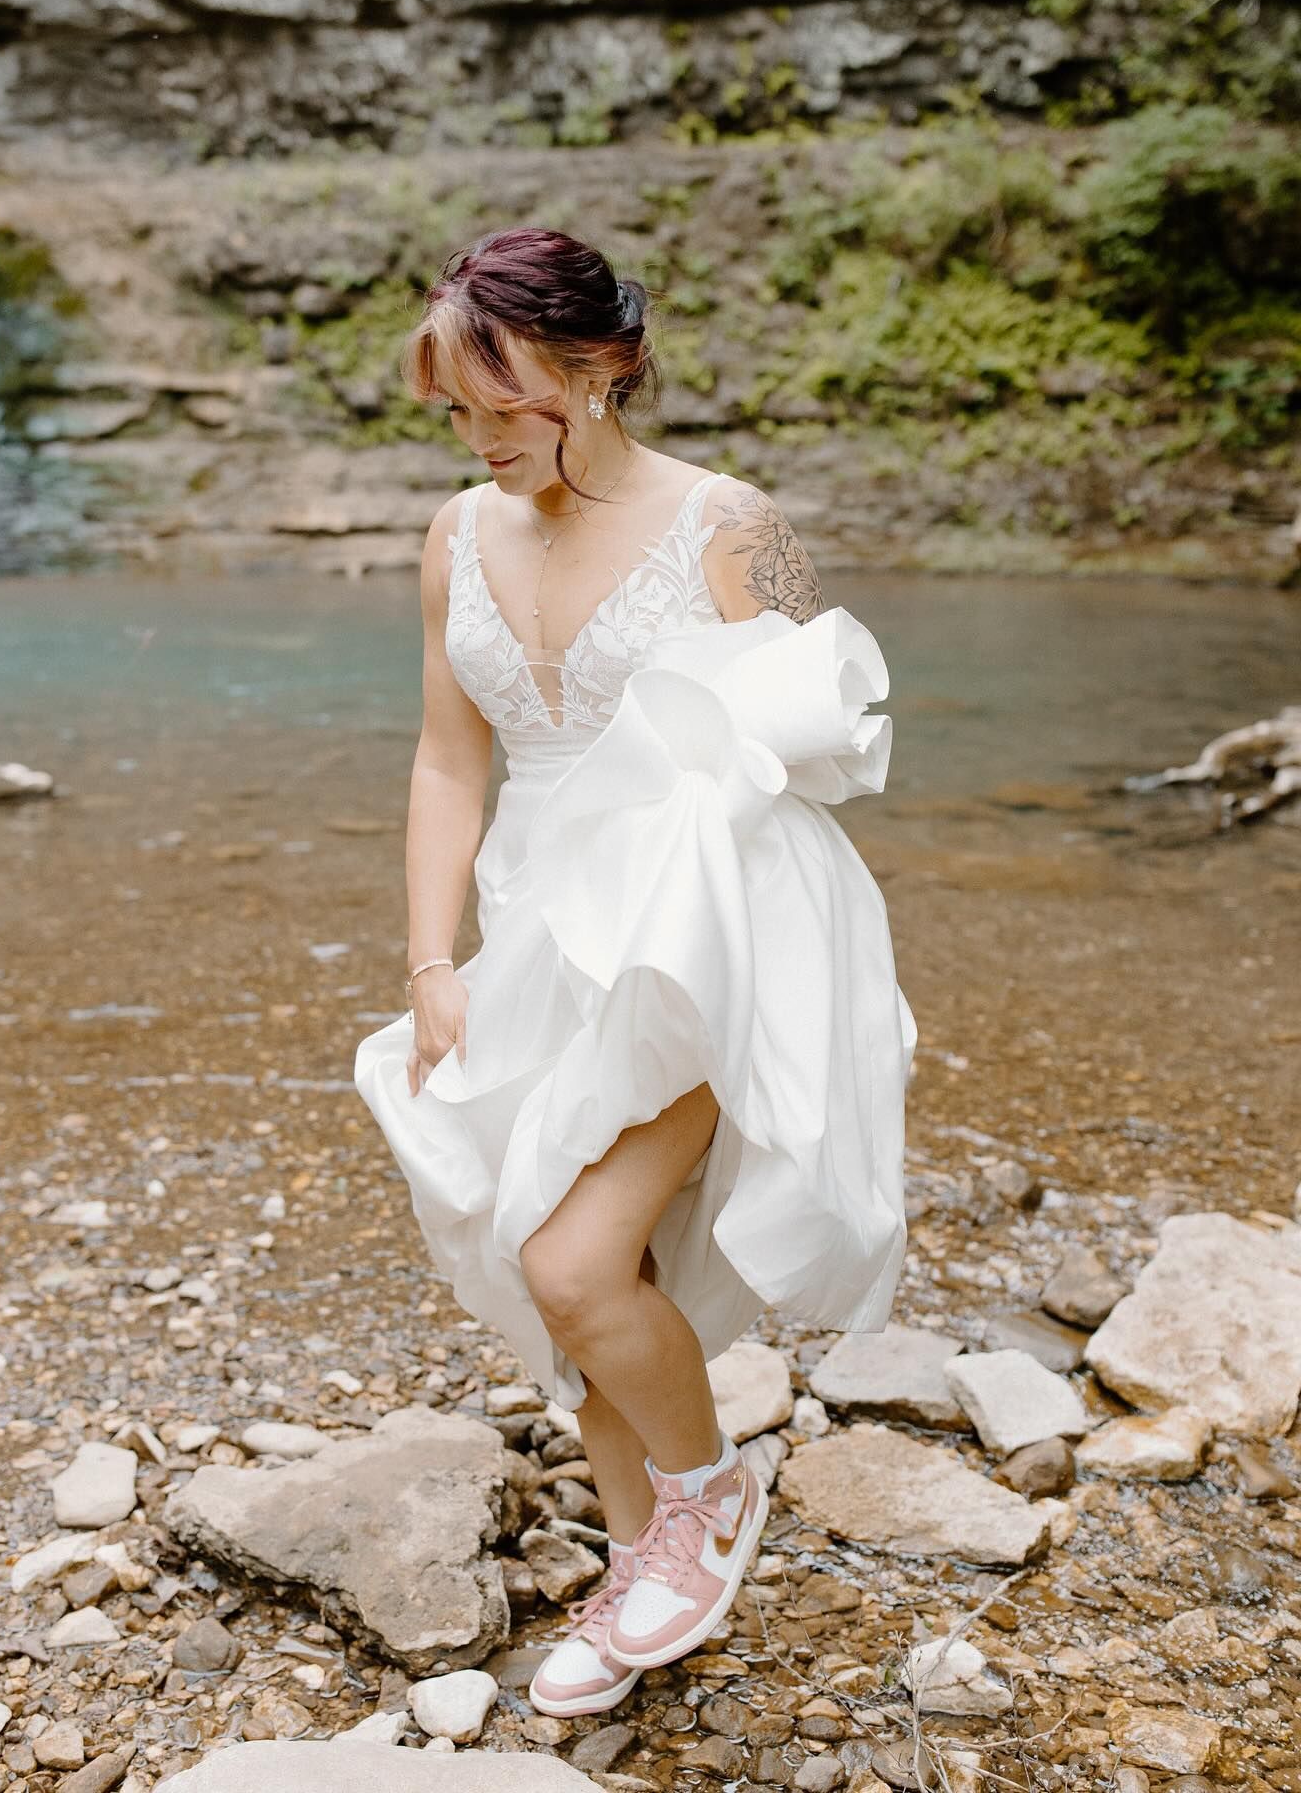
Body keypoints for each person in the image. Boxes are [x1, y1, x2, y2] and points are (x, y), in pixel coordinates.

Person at [353, 225, 917, 1718]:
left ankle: (708, 1499)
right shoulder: (453, 535)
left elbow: (824, 734)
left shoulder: (733, 524)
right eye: (455, 415)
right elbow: (447, 757)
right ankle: (641, 1559)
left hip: (700, 932)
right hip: (534, 934)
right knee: (588, 1279)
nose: (480, 443)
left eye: (507, 404)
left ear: (601, 372)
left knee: (570, 1255)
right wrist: (430, 957)